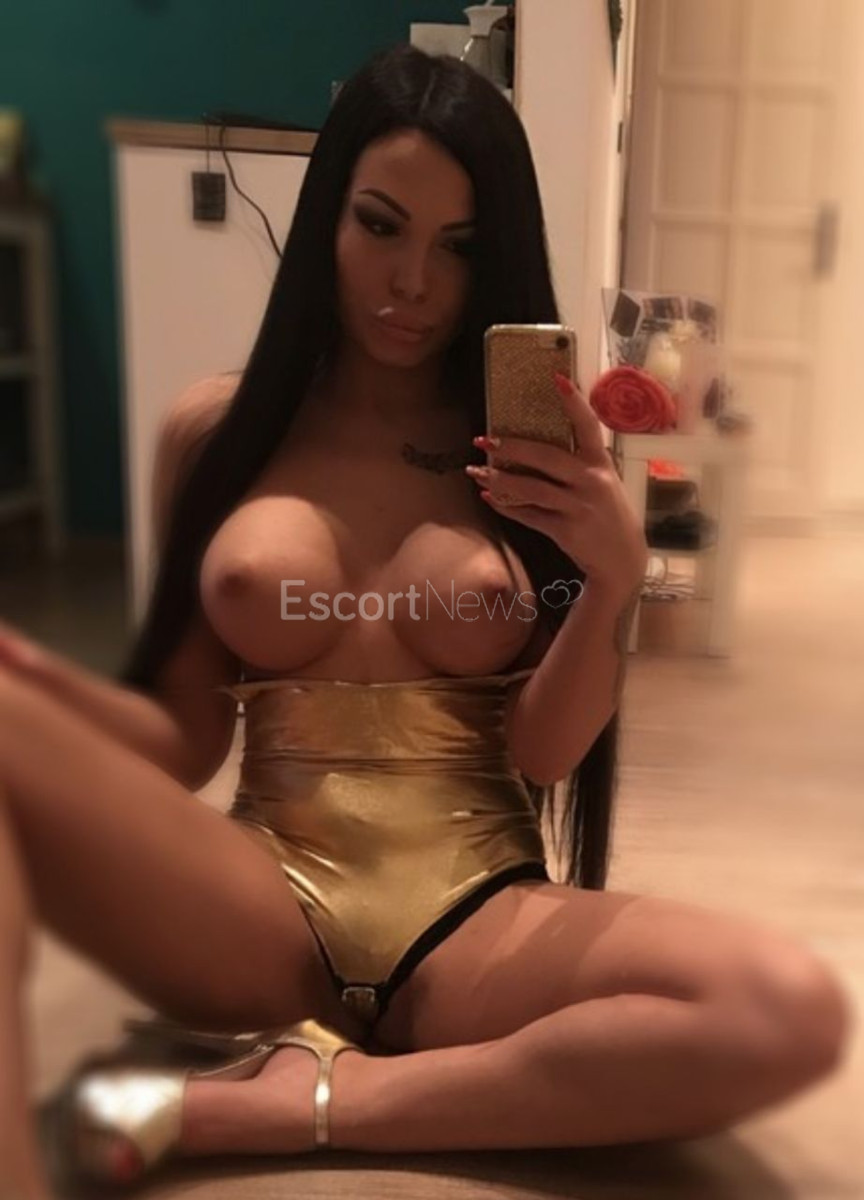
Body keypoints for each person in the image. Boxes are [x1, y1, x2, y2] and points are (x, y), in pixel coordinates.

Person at [0, 42, 852, 1198]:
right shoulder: (216, 434)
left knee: (781, 1009)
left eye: (460, 247)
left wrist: (610, 583)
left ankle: (286, 1105)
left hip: (474, 912)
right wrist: (44, 689)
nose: (412, 283)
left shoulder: (530, 458)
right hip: (254, 903)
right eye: (380, 226)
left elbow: (544, 753)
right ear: (327, 217)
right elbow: (186, 738)